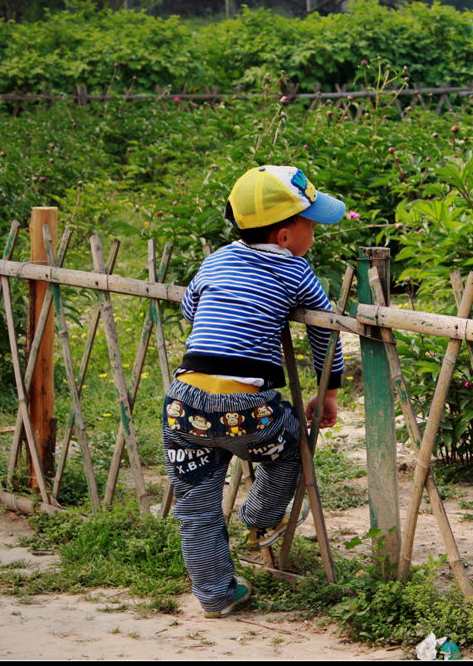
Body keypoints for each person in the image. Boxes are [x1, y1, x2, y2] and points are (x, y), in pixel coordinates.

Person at [161, 165, 346, 618]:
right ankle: (261, 516)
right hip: (246, 407)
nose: (314, 233)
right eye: (310, 224)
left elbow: (190, 306)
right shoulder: (297, 271)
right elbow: (325, 333)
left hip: (183, 405)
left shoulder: (217, 259)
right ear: (285, 236)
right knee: (288, 449)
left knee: (196, 509)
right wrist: (327, 394)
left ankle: (216, 595)